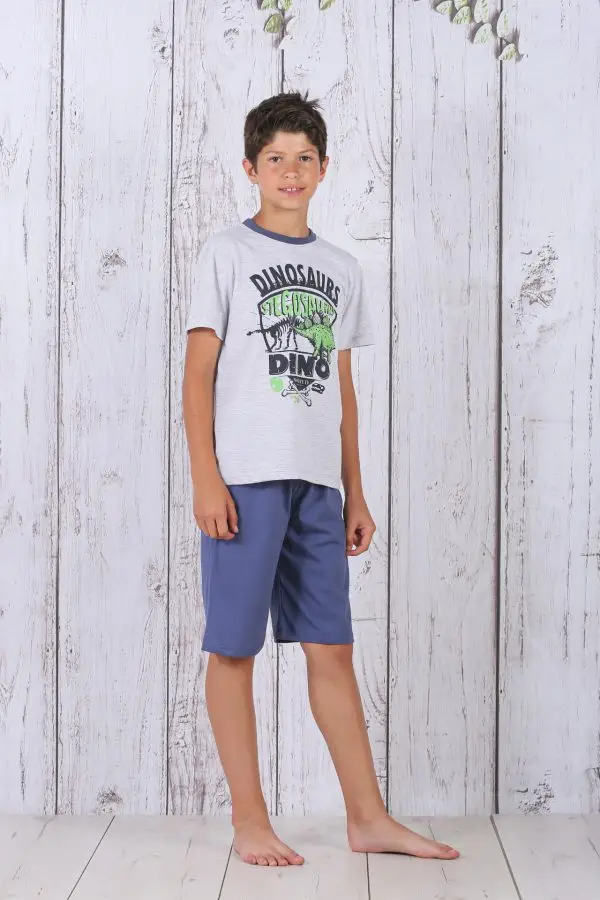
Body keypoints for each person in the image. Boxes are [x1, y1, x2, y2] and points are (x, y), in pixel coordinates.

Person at [183, 91, 460, 868]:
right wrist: (207, 477)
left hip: (318, 488)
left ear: (326, 168)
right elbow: (196, 375)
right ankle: (248, 819)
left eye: (305, 158)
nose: (292, 171)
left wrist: (356, 490)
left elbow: (342, 390)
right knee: (233, 649)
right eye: (276, 158)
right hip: (245, 481)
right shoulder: (225, 254)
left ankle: (367, 817)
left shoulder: (340, 269)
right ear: (250, 169)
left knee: (333, 650)